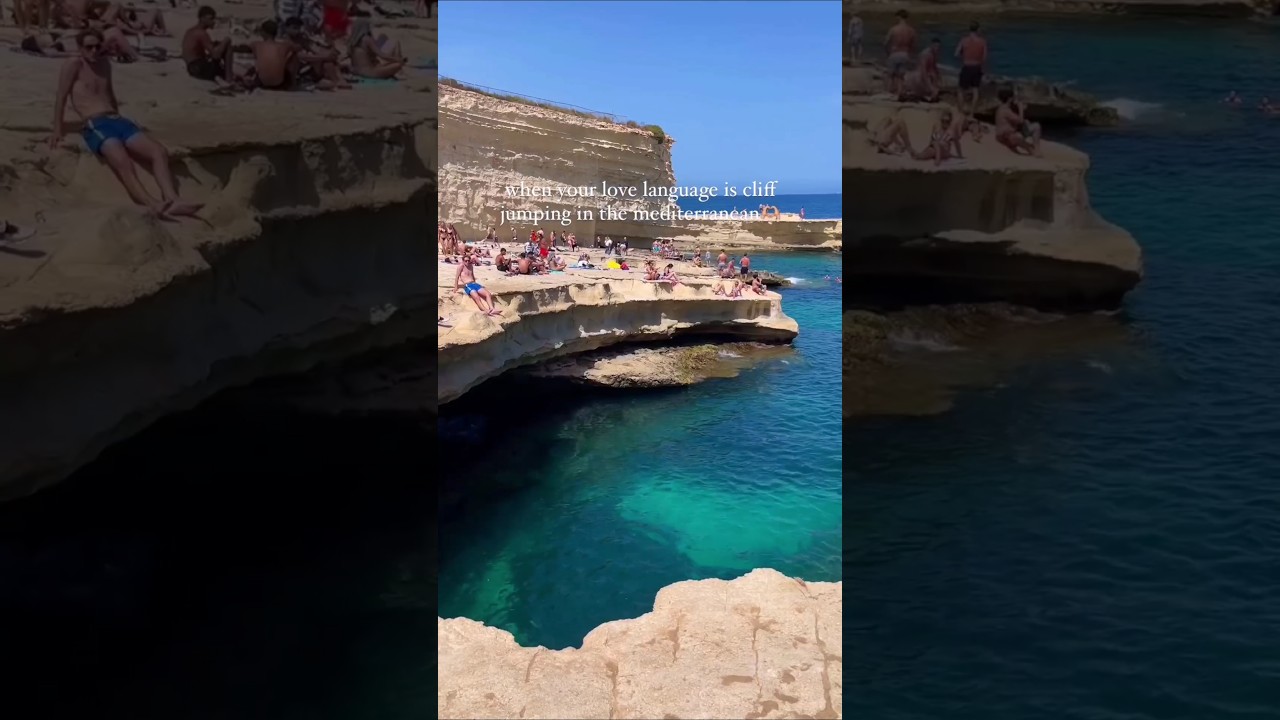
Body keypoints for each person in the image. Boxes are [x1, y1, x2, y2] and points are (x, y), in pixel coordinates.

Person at [51, 29, 202, 218]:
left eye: (97, 46)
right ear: (80, 48)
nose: (94, 51)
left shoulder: (104, 64)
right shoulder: (74, 64)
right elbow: (61, 97)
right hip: (95, 123)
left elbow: (109, 94)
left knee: (158, 152)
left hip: (116, 119)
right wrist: (57, 130)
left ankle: (173, 199)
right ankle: (152, 204)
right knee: (122, 161)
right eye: (89, 47)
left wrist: (120, 117)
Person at [283, 16, 348, 88]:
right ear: (286, 28)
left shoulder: (301, 39)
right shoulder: (284, 41)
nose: (297, 31)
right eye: (294, 28)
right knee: (320, 58)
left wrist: (328, 54)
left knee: (327, 61)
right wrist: (323, 56)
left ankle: (337, 80)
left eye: (298, 28)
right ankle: (335, 81)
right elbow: (300, 56)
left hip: (302, 66)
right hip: (288, 68)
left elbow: (314, 48)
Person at [182, 6, 233, 83]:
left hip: (191, 68)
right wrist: (226, 40)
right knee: (227, 45)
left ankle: (227, 75)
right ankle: (229, 79)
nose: (214, 21)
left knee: (218, 45)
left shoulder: (190, 31)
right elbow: (216, 55)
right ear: (202, 18)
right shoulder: (202, 33)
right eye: (211, 19)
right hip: (198, 68)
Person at [249, 20, 300, 89]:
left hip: (262, 83)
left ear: (263, 32)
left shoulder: (255, 44)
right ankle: (293, 83)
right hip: (279, 83)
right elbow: (298, 48)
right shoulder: (285, 45)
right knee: (294, 56)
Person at [955, 22, 988, 118]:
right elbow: (984, 58)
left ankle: (961, 111)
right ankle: (972, 113)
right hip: (977, 67)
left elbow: (956, 54)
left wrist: (964, 54)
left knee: (961, 90)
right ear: (978, 29)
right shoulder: (982, 41)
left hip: (967, 66)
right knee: (975, 90)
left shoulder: (964, 40)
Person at [994, 88, 1041, 156]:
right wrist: (1021, 109)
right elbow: (1020, 121)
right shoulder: (1005, 110)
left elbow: (1015, 121)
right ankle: (1033, 151)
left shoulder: (1001, 108)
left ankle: (1036, 149)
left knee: (1035, 125)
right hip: (1007, 137)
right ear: (1009, 99)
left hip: (1006, 135)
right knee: (1018, 137)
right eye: (1013, 97)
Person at [883, 10, 916, 96]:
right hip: (905, 54)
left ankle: (888, 93)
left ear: (899, 17)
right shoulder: (911, 30)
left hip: (894, 52)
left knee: (891, 75)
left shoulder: (894, 29)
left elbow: (885, 42)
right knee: (900, 76)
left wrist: (887, 53)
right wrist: (910, 56)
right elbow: (912, 46)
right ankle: (899, 93)